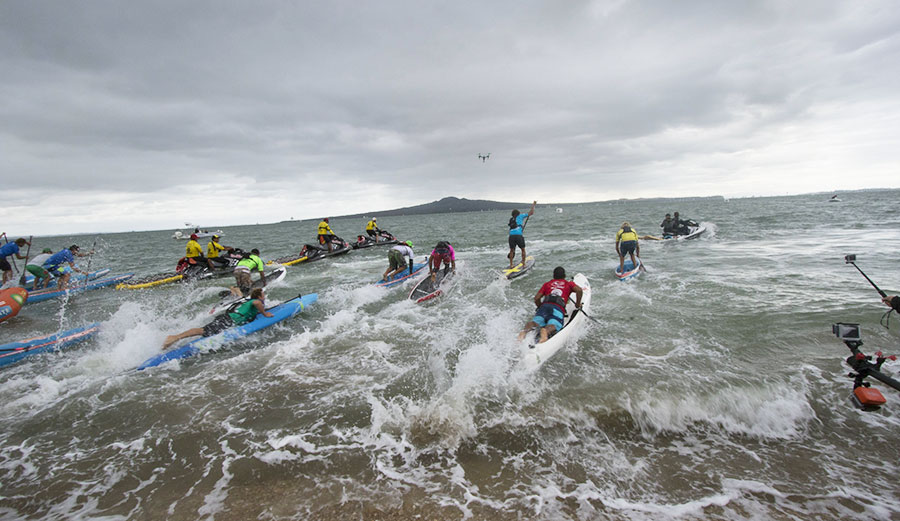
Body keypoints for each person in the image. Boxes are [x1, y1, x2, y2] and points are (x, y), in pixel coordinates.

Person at [162, 288, 273, 349]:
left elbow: (242, 297)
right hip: (229, 320)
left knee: (206, 331)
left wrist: (234, 289)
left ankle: (176, 339)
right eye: (263, 294)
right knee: (202, 331)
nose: (264, 296)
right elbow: (257, 303)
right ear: (259, 296)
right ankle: (175, 337)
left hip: (226, 318)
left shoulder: (246, 301)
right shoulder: (256, 302)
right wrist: (265, 314)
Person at [518, 266, 584, 344]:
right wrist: (577, 304)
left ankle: (523, 333)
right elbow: (579, 290)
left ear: (553, 276)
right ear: (564, 276)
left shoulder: (547, 284)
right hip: (557, 308)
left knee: (535, 323)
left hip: (544, 306)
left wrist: (539, 307)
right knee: (554, 324)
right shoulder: (568, 283)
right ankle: (545, 331)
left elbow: (536, 298)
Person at [508, 201, 537, 269]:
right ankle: (523, 263)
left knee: (511, 250)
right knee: (523, 249)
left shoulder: (511, 219)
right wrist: (533, 205)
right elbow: (531, 213)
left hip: (511, 236)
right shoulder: (520, 216)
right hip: (518, 235)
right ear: (518, 213)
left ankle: (511, 264)